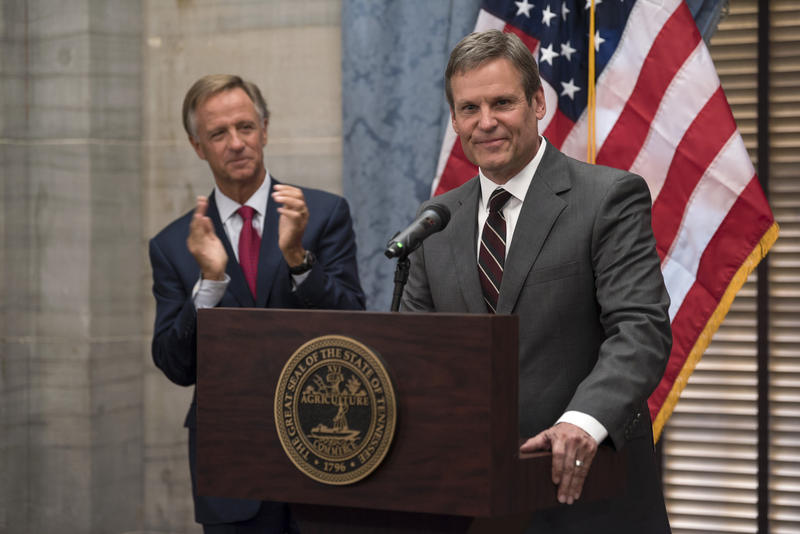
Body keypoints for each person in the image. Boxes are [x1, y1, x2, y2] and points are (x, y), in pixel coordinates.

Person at [401, 30, 672, 532]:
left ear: (538, 102)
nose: (486, 123)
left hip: (591, 491)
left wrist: (581, 421)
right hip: (474, 500)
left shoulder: (608, 197)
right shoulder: (435, 220)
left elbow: (641, 330)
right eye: (469, 108)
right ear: (454, 118)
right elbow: (416, 354)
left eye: (502, 102)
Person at [149, 74, 365, 533]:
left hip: (326, 449)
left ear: (265, 130)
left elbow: (355, 326)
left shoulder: (322, 215)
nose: (236, 143)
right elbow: (174, 364)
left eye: (245, 127)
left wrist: (298, 259)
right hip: (231, 466)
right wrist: (208, 283)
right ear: (197, 146)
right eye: (218, 134)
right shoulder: (172, 245)